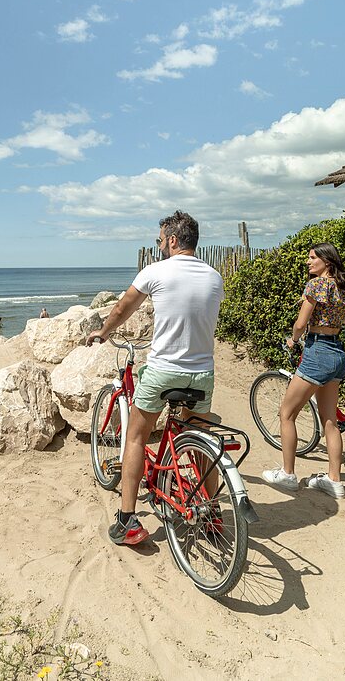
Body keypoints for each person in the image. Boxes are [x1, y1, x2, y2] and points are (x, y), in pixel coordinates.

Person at [86, 211, 224, 546]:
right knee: (199, 438)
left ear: (173, 240)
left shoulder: (156, 271)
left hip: (164, 371)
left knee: (135, 437)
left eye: (160, 240)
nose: (159, 245)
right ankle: (215, 512)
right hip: (202, 374)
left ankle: (127, 521)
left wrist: (103, 333)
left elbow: (121, 309)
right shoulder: (214, 276)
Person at [261, 242, 345, 497]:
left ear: (326, 261)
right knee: (330, 421)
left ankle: (288, 474)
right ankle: (334, 481)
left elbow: (301, 322)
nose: (308, 261)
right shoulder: (344, 287)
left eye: (312, 257)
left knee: (286, 414)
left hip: (318, 352)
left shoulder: (316, 285)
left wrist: (294, 339)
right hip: (338, 353)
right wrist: (334, 318)